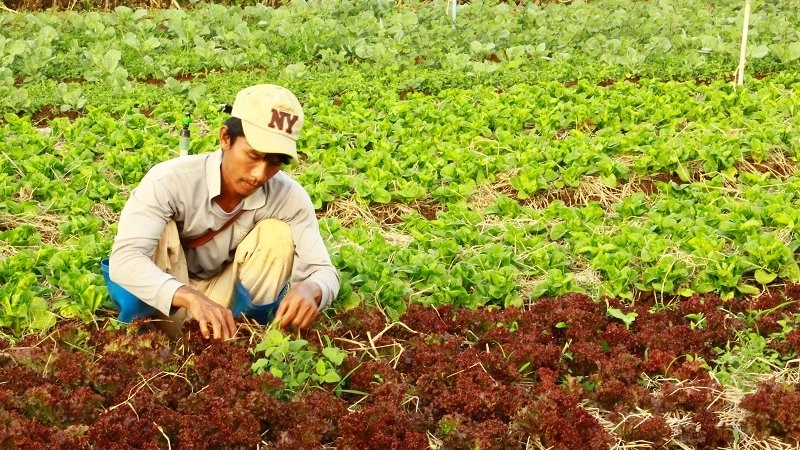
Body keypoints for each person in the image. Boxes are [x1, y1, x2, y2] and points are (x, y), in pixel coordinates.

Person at [106, 84, 339, 340]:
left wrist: (313, 287)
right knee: (162, 231)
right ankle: (149, 339)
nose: (260, 174)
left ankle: (240, 339)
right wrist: (190, 296)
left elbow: (324, 271)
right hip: (165, 304)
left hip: (225, 306)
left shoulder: (288, 196)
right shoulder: (169, 180)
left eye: (275, 163)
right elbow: (125, 259)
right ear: (225, 138)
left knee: (277, 235)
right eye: (253, 155)